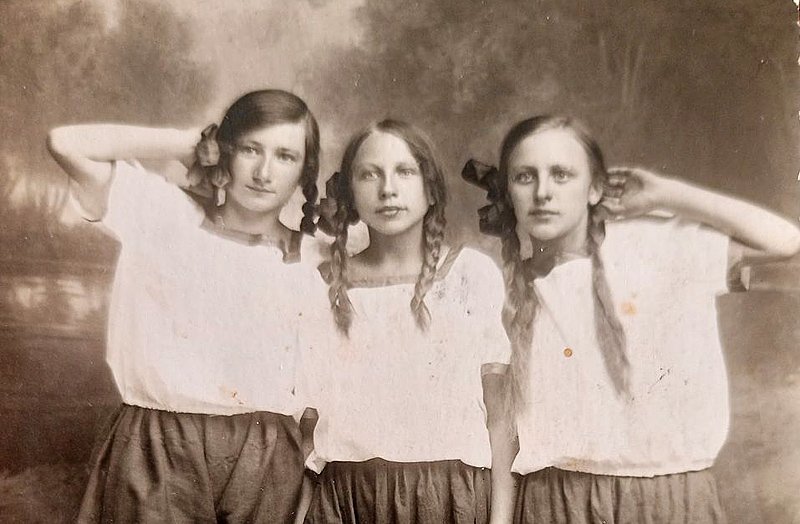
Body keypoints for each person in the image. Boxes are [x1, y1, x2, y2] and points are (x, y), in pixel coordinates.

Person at [462, 115, 800, 523]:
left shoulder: (656, 247)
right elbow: (504, 437)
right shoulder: (505, 290)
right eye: (525, 177)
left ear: (595, 189)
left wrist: (668, 195)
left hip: (669, 500)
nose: (543, 192)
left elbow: (785, 241)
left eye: (562, 174)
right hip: (554, 505)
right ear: (507, 192)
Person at [46, 89, 327, 523]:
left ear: (304, 171)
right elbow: (65, 143)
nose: (264, 172)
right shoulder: (162, 213)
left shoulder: (317, 258)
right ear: (225, 151)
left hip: (267, 456)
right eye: (250, 149)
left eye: (285, 156)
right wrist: (188, 144)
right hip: (159, 445)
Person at [297, 119, 514, 523]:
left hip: (447, 498)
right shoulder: (322, 286)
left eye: (404, 172)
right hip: (347, 500)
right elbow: (308, 427)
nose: (388, 189)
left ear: (431, 189)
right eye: (369, 174)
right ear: (350, 194)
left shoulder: (469, 275)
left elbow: (500, 422)